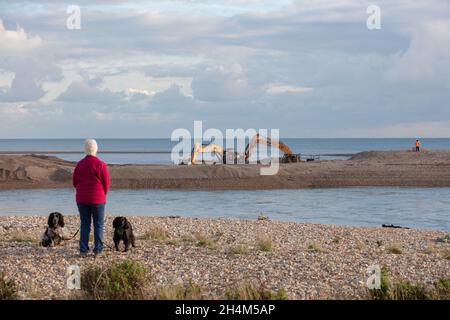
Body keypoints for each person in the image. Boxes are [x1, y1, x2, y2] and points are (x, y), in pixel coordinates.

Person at [73, 139, 110, 257]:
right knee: (98, 224)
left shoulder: (80, 164)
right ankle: (98, 250)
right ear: (96, 149)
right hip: (98, 199)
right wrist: (102, 194)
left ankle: (83, 250)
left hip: (82, 199)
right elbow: (106, 183)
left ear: (85, 149)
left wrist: (81, 191)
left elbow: (74, 182)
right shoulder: (101, 164)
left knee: (85, 224)